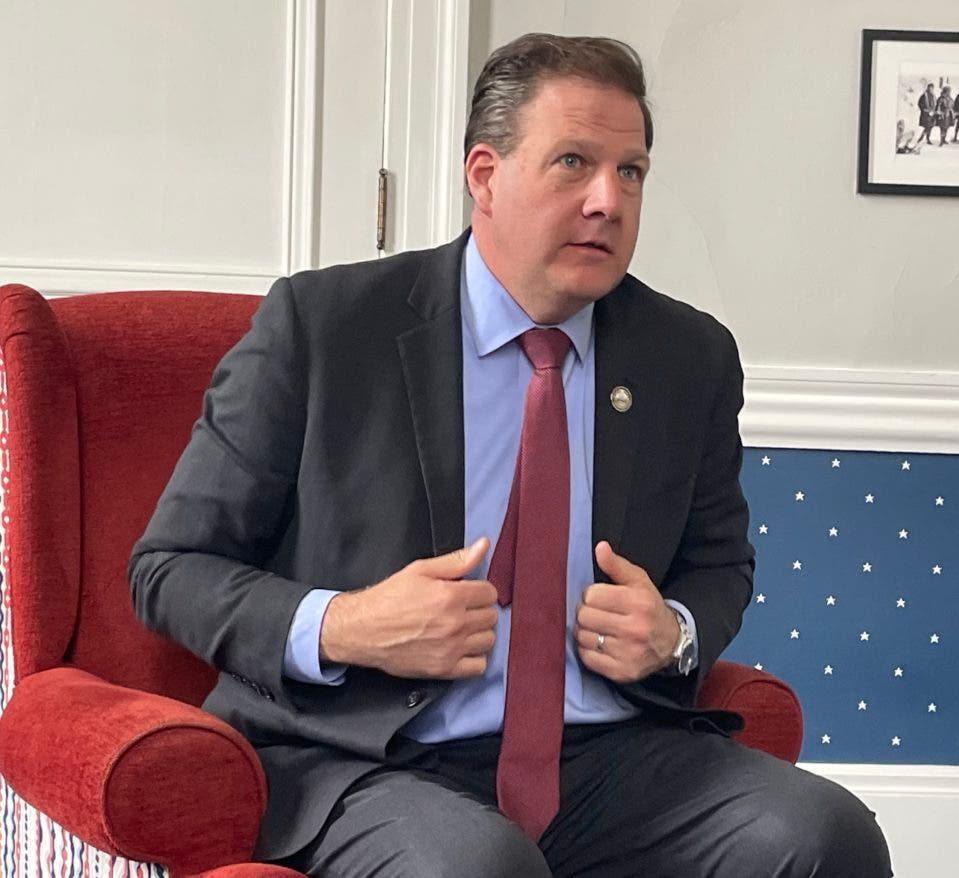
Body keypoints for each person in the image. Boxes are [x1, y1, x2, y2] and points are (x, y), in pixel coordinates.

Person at [129, 33, 891, 878]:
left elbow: (718, 564)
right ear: (484, 176)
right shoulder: (325, 327)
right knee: (479, 868)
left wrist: (670, 631)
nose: (609, 199)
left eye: (631, 171)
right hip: (365, 755)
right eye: (574, 162)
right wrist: (345, 625)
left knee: (826, 833)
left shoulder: (687, 356)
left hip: (607, 757)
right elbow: (170, 567)